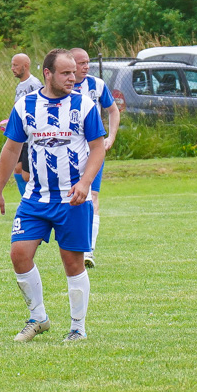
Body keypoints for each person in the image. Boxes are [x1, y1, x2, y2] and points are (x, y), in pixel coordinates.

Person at [0, 49, 106, 343]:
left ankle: (78, 327)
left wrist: (85, 183)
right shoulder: (25, 106)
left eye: (74, 72)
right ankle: (38, 317)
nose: (73, 77)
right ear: (48, 73)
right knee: (19, 254)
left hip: (73, 199)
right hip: (36, 199)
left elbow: (97, 148)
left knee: (72, 262)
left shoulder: (84, 105)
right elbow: (11, 150)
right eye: (66, 73)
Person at [70, 48, 120, 269]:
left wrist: (110, 137)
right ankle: (73, 246)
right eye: (81, 62)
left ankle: (88, 251)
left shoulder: (97, 85)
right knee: (71, 200)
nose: (86, 66)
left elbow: (113, 111)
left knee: (93, 196)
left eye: (87, 62)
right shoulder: (62, 87)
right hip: (69, 153)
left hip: (93, 151)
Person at [7, 53, 42, 195]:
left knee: (27, 175)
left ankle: (34, 200)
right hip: (21, 135)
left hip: (30, 136)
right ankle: (25, 201)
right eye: (12, 65)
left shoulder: (34, 84)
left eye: (15, 65)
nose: (12, 68)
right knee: (17, 170)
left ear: (25, 66)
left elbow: (39, 107)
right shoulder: (20, 86)